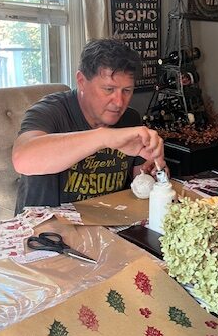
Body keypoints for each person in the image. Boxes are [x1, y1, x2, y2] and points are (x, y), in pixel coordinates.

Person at [13, 38, 166, 212]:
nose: (119, 102)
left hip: (109, 225)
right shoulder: (49, 111)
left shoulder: (130, 118)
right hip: (47, 230)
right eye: (109, 89)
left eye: (127, 90)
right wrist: (104, 137)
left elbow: (141, 180)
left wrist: (155, 174)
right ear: (81, 81)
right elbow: (22, 159)